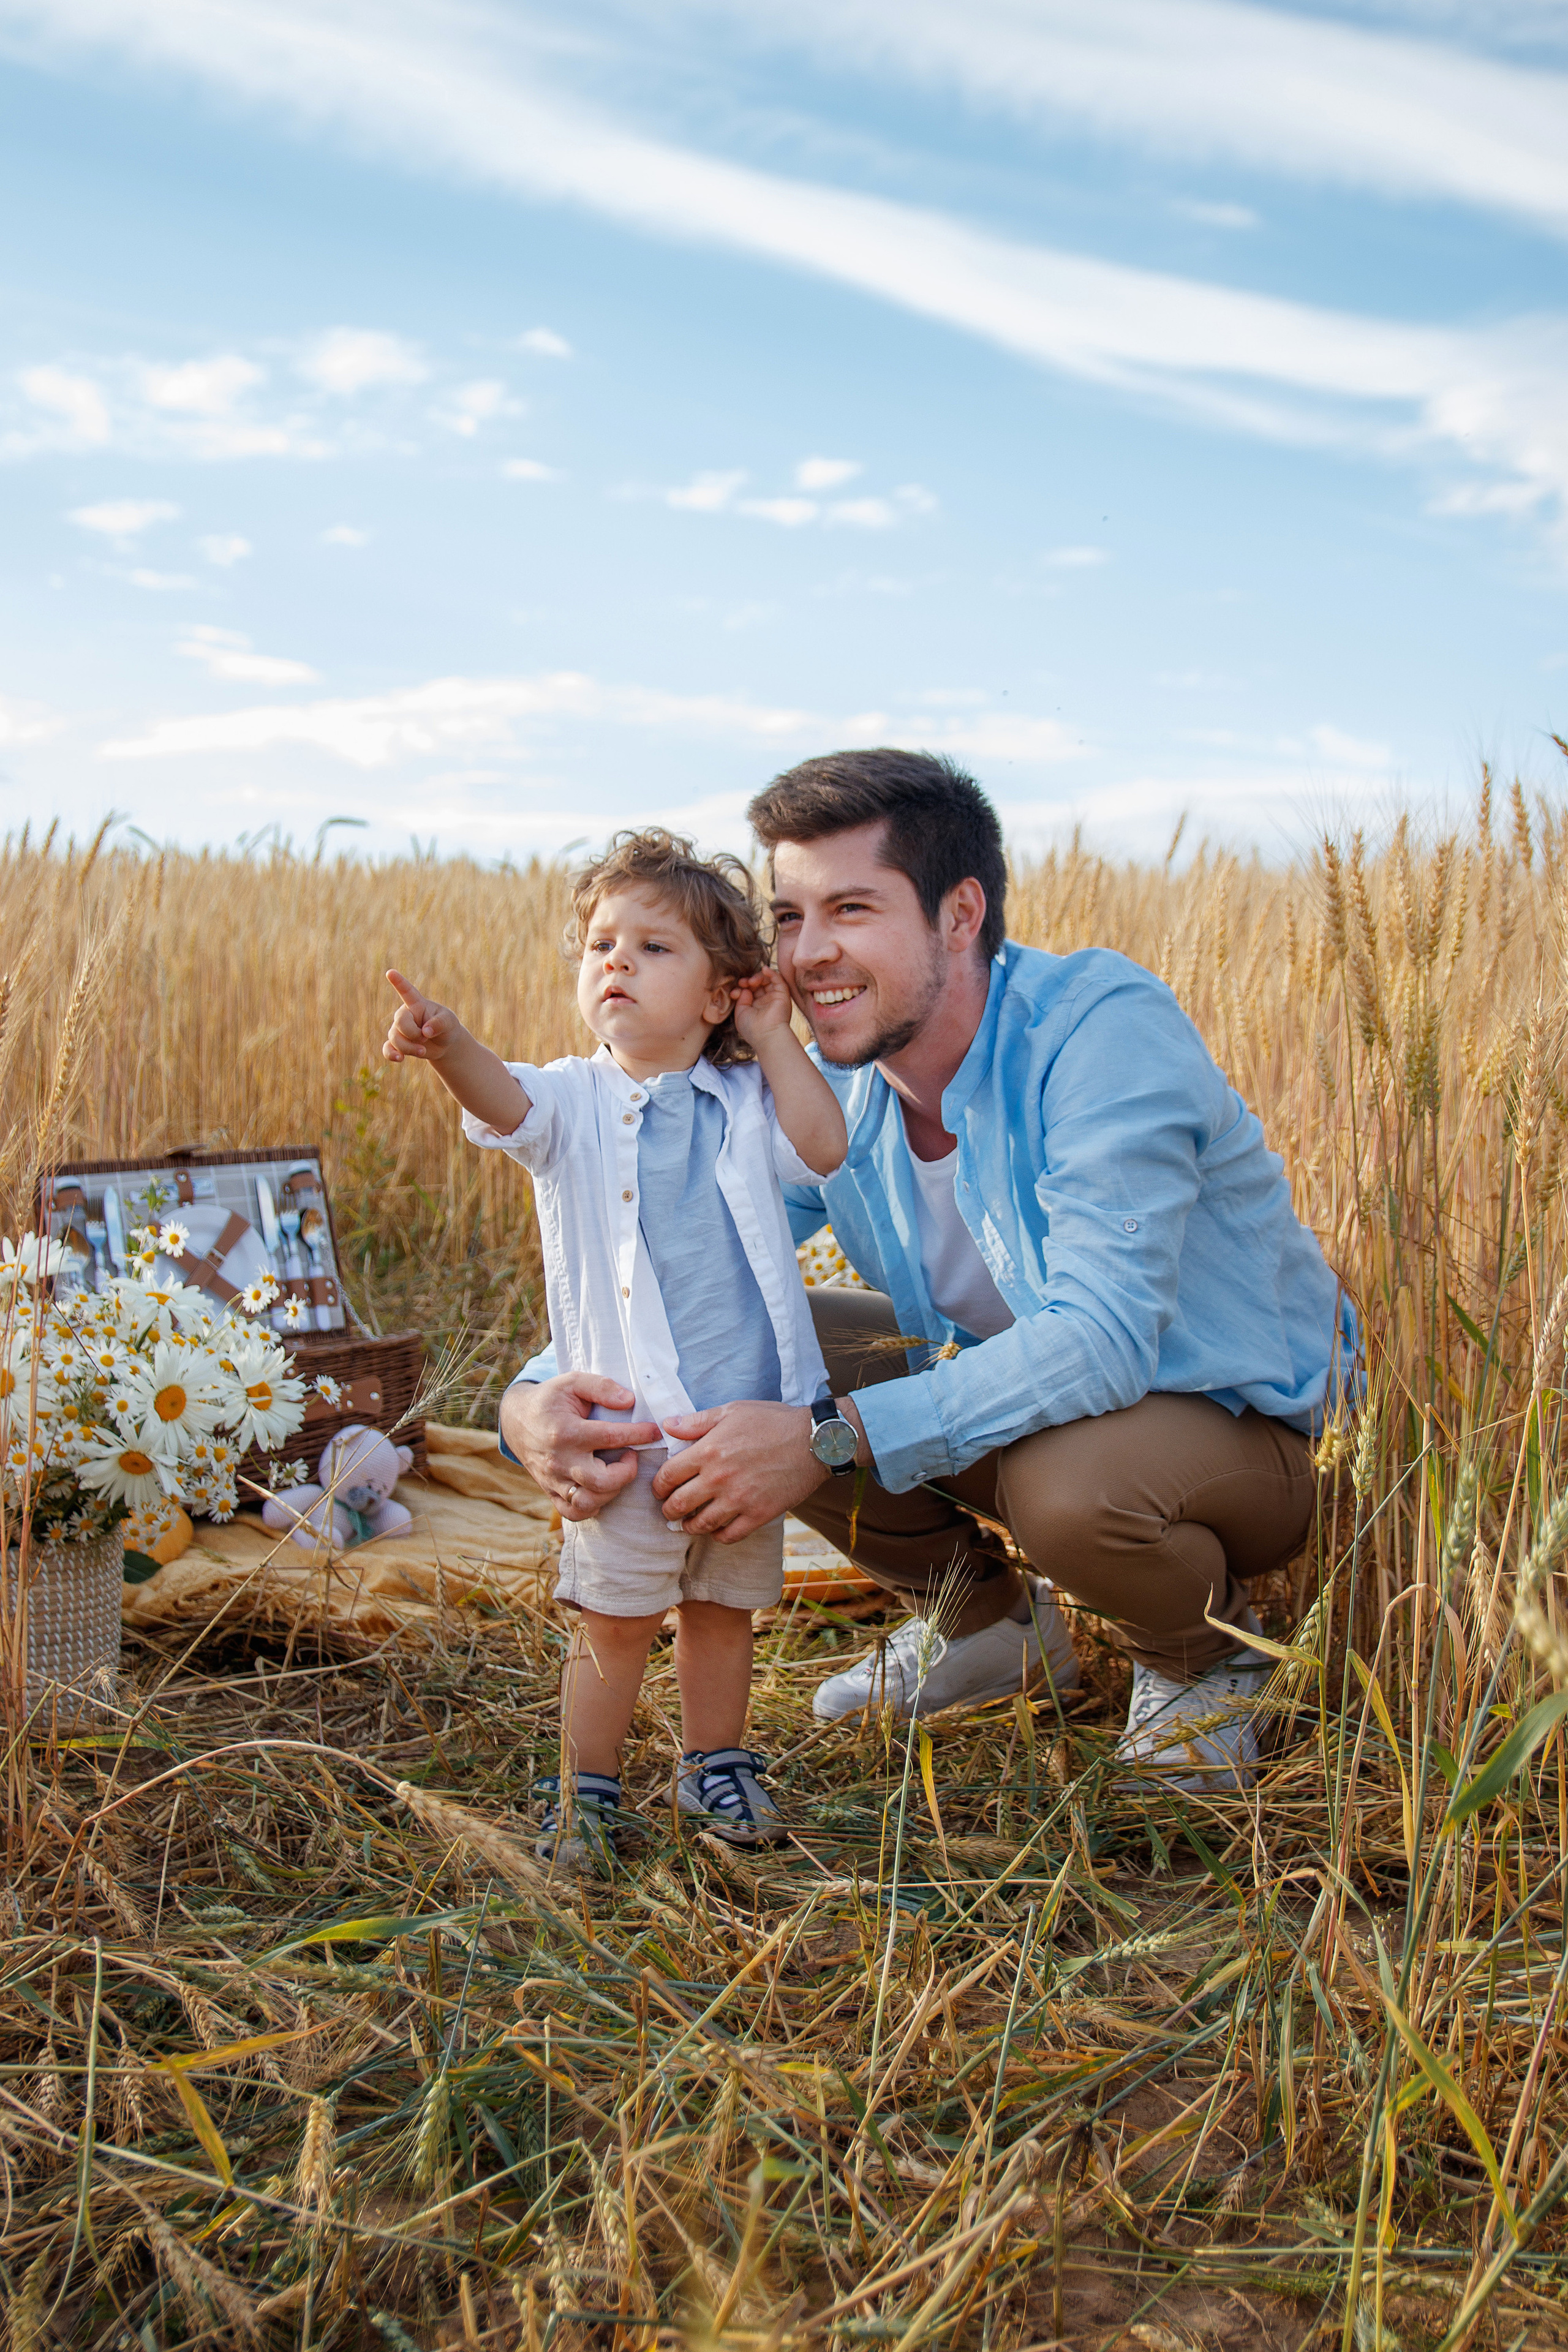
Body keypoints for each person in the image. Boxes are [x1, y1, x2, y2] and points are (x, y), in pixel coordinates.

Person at [502, 756, 1355, 1794]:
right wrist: (531, 1404)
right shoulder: (837, 1094)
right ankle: (990, 1629)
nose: (810, 954)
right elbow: (686, 1269)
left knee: (1068, 1489)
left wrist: (826, 1441)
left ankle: (1201, 1657)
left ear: (960, 915)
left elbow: (1104, 1339)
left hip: (1246, 1432)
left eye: (851, 909)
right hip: (1045, 1408)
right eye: (789, 916)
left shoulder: (1097, 1033)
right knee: (777, 1345)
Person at [383, 828, 846, 1867]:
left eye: (653, 948)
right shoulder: (572, 1102)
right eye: (600, 945)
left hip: (741, 1432)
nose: (616, 964)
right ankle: (584, 1787)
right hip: (627, 1431)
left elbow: (826, 1146)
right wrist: (449, 1042)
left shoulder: (748, 1099)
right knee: (615, 1618)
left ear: (724, 992)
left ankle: (714, 1767)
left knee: (723, 1614)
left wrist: (777, 1038)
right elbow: (500, 1099)